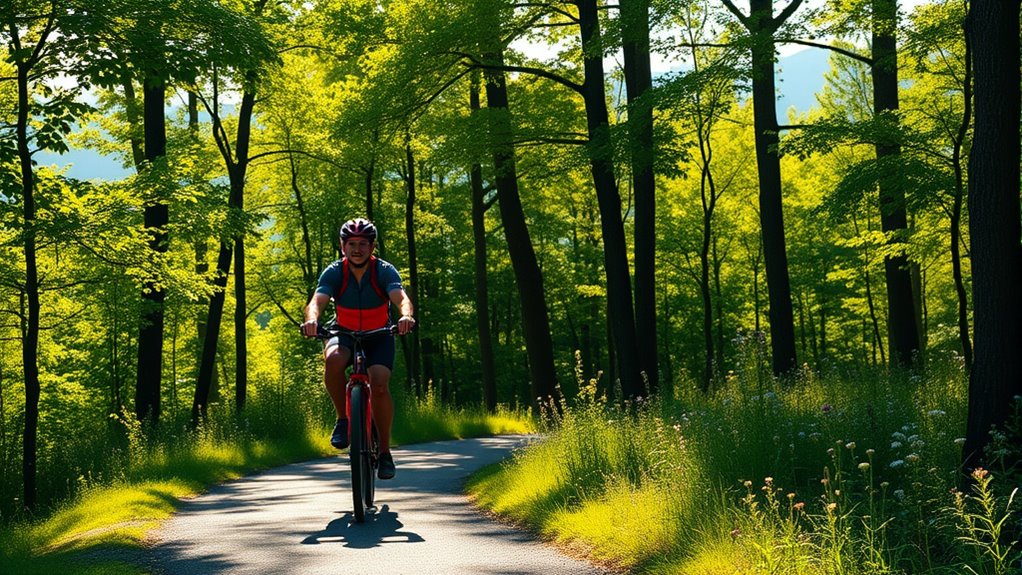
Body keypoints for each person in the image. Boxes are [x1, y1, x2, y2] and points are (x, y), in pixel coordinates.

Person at [302, 218, 415, 480]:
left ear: (372, 246)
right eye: (351, 244)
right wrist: (311, 320)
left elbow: (401, 299)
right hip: (344, 333)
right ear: (342, 246)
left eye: (363, 244)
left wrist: (406, 316)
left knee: (379, 384)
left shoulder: (384, 271)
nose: (357, 249)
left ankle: (385, 452)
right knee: (333, 360)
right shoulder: (334, 272)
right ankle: (343, 420)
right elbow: (316, 301)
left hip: (379, 335)